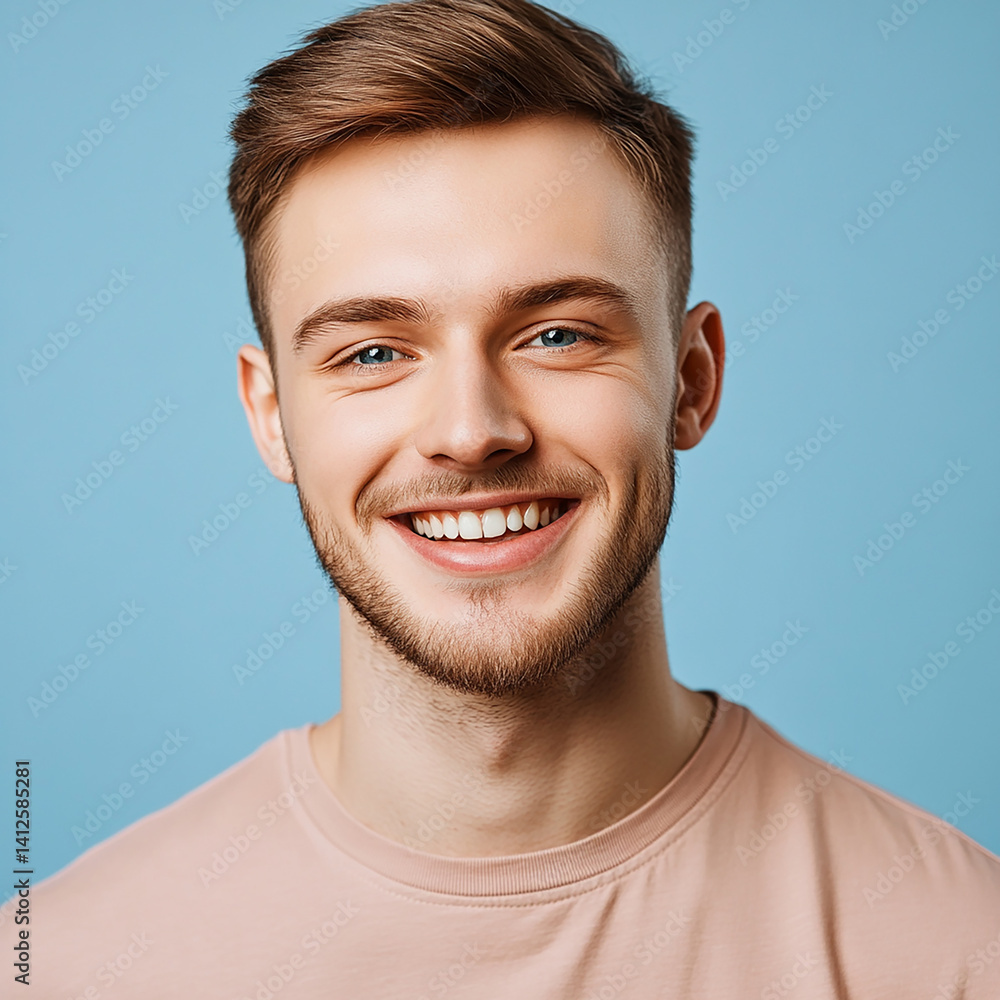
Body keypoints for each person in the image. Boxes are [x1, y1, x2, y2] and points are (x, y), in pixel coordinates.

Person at [11, 1, 1000, 996]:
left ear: (691, 380)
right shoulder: (58, 966)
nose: (472, 429)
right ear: (271, 417)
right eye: (373, 353)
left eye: (558, 335)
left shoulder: (960, 950)